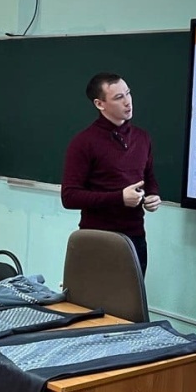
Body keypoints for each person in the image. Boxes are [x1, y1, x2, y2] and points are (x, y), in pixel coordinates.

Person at [61, 72, 161, 275]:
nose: (128, 102)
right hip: (98, 239)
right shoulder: (84, 142)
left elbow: (149, 178)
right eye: (118, 97)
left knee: (131, 295)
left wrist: (153, 196)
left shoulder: (142, 138)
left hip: (134, 238)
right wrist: (119, 198)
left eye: (128, 93)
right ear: (100, 104)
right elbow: (69, 197)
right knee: (93, 294)